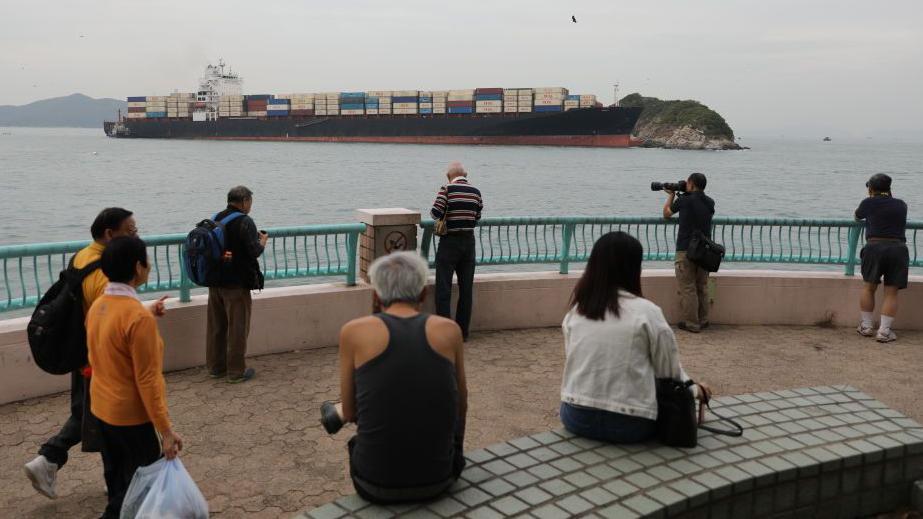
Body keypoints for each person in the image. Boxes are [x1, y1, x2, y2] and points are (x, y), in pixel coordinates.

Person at [326, 251, 467, 503]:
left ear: (376, 296)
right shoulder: (450, 330)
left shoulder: (353, 332)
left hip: (373, 484)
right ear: (423, 294)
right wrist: (455, 451)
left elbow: (349, 412)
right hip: (439, 478)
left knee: (340, 416)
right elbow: (461, 406)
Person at [24, 207, 137, 500]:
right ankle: (56, 460)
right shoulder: (104, 272)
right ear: (110, 234)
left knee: (86, 412)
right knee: (108, 415)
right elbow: (110, 317)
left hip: (80, 348)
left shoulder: (83, 255)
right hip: (99, 354)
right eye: (131, 231)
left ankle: (49, 461)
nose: (135, 235)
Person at [560, 232, 711, 443]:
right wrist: (697, 390)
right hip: (629, 424)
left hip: (576, 417)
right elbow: (670, 374)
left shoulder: (577, 312)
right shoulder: (647, 313)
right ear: (634, 269)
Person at [87, 236, 181, 518]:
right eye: (147, 261)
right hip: (131, 418)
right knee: (143, 488)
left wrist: (147, 310)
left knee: (117, 481)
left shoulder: (99, 306)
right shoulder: (137, 320)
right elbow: (148, 380)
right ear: (139, 267)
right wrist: (165, 431)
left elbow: (115, 333)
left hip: (101, 410)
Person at [206, 185, 268, 383]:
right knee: (238, 328)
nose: (250, 206)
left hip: (215, 282)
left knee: (217, 326)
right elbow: (253, 251)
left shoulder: (216, 218)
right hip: (236, 284)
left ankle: (216, 368)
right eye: (250, 202)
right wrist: (263, 241)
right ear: (244, 202)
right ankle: (236, 372)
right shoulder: (244, 221)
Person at [431, 162, 483, 340]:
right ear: (465, 175)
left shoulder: (446, 189)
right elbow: (477, 217)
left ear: (449, 176)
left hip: (449, 243)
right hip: (469, 242)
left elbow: (435, 213)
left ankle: (445, 333)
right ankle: (462, 333)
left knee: (443, 288)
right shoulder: (476, 192)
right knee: (466, 289)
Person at [855, 173, 909, 342]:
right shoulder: (901, 205)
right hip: (897, 249)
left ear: (871, 188)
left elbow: (857, 216)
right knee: (891, 292)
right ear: (889, 188)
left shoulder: (868, 203)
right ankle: (884, 332)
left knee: (868, 287)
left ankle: (866, 326)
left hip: (874, 247)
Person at [663, 172, 715, 333]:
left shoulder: (684, 200)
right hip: (704, 250)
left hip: (686, 249)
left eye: (687, 183)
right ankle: (704, 320)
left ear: (691, 184)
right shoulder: (710, 202)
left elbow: (666, 214)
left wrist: (672, 195)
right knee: (702, 286)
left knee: (688, 288)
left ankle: (692, 324)